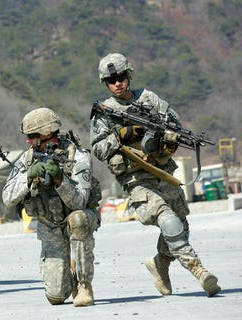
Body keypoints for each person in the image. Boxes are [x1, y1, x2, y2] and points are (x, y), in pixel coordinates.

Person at [90, 53, 220, 297]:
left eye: (120, 77)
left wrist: (169, 136)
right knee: (167, 218)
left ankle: (160, 263)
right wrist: (122, 135)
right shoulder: (105, 111)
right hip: (136, 179)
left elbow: (175, 126)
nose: (117, 83)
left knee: (180, 225)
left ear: (129, 76)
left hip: (162, 172)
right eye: (111, 80)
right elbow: (97, 149)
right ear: (105, 83)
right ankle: (199, 271)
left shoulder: (150, 99)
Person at [2, 108, 102, 306]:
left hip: (76, 217)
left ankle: (83, 286)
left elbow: (80, 202)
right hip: (49, 225)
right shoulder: (27, 159)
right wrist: (28, 178)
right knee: (55, 297)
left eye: (31, 136)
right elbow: (7, 197)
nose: (27, 141)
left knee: (78, 220)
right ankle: (69, 278)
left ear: (46, 134)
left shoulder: (78, 156)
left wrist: (59, 180)